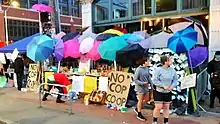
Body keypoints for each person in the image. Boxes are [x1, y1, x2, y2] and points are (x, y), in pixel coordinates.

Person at [152, 55, 178, 124]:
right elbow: (154, 80)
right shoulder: (158, 70)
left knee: (166, 107)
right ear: (165, 61)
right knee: (158, 107)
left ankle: (166, 121)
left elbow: (175, 80)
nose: (171, 61)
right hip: (158, 91)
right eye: (170, 60)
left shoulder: (173, 70)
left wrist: (172, 86)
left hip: (168, 92)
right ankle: (155, 121)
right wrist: (163, 86)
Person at [133, 56, 153, 121]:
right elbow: (135, 79)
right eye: (148, 61)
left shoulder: (147, 68)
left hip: (146, 87)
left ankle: (137, 108)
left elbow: (149, 77)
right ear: (145, 62)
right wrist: (142, 83)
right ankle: (139, 113)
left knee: (147, 99)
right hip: (140, 88)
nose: (149, 62)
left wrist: (152, 85)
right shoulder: (138, 69)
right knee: (140, 100)